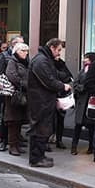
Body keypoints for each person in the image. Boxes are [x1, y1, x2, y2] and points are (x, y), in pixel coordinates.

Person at [27, 38, 70, 167]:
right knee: (40, 128)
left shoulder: (44, 59)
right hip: (40, 101)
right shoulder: (41, 60)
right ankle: (36, 159)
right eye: (58, 50)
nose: (59, 53)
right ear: (51, 47)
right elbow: (48, 80)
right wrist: (63, 86)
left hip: (43, 100)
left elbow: (52, 76)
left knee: (43, 128)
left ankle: (40, 155)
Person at [4, 42, 30, 156]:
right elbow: (12, 76)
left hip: (23, 96)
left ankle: (17, 144)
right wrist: (24, 84)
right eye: (22, 51)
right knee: (13, 121)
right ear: (16, 51)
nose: (25, 53)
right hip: (14, 96)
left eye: (26, 51)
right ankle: (12, 145)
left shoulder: (25, 63)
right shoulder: (12, 61)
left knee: (19, 121)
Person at [70, 52, 95, 155]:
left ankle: (91, 147)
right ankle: (74, 147)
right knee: (78, 125)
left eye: (86, 58)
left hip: (90, 101)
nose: (83, 60)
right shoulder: (82, 71)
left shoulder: (94, 71)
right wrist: (82, 88)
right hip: (82, 102)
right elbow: (75, 84)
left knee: (91, 127)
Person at [53, 55, 73, 150]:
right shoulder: (47, 63)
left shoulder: (61, 63)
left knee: (60, 118)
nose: (58, 55)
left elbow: (68, 76)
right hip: (51, 95)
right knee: (50, 119)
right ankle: (49, 138)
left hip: (61, 95)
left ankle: (59, 139)